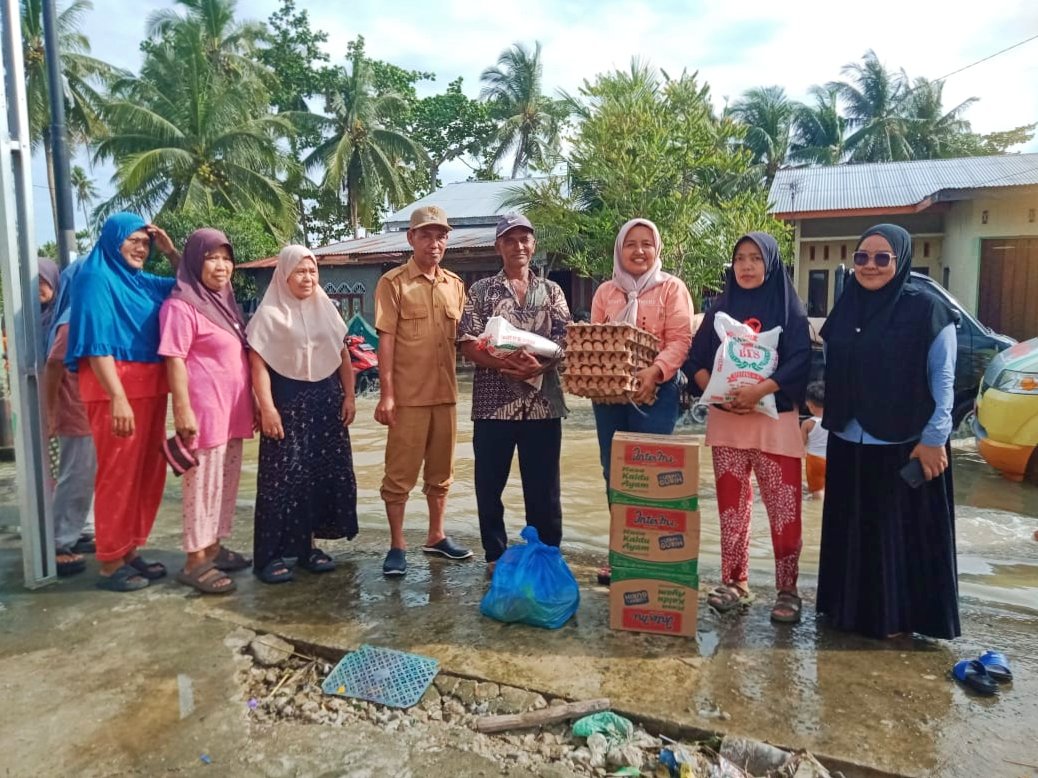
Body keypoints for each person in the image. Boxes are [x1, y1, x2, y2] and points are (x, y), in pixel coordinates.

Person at [817, 224, 959, 640]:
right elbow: (831, 367)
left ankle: (896, 622)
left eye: (883, 258)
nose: (871, 266)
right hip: (849, 440)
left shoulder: (928, 310)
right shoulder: (847, 306)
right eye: (862, 257)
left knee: (894, 537)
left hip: (903, 443)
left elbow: (944, 382)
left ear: (901, 260)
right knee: (854, 532)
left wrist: (934, 438)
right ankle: (848, 613)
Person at [686, 232, 811, 623]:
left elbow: (801, 360)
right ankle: (734, 582)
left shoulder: (790, 311)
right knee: (732, 510)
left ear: (771, 264)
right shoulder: (720, 310)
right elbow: (694, 361)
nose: (746, 266)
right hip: (727, 424)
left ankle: (787, 589)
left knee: (784, 511)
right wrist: (717, 392)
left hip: (776, 423)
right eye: (740, 258)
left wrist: (759, 390)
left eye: (755, 258)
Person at [65, 212, 182, 592]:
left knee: (147, 473)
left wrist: (169, 250)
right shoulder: (95, 278)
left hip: (149, 385)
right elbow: (95, 342)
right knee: (117, 473)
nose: (140, 248)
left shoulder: (142, 282)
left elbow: (189, 284)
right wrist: (117, 397)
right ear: (112, 239)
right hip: (114, 388)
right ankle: (110, 560)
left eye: (145, 243)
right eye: (133, 240)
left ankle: (130, 549)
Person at [458, 214, 572, 573]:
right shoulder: (480, 291)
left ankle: (547, 554)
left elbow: (566, 339)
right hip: (494, 405)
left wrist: (541, 366)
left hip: (543, 404)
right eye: (510, 240)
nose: (518, 246)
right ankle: (495, 555)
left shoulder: (552, 291)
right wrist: (504, 365)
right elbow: (466, 343)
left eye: (525, 239)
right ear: (498, 247)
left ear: (534, 245)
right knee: (489, 485)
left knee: (544, 489)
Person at [590, 218, 694, 585]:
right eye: (630, 243)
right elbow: (597, 341)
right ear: (619, 250)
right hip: (609, 396)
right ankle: (621, 552)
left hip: (658, 391)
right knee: (614, 471)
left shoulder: (671, 289)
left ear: (657, 249)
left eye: (646, 243)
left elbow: (680, 340)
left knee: (650, 473)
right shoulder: (606, 291)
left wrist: (654, 373)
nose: (638, 250)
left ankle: (651, 554)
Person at [247, 245, 358, 584]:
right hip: (288, 403)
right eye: (300, 271)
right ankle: (268, 556)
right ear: (284, 274)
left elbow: (343, 355)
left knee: (317, 476)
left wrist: (350, 396)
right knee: (280, 480)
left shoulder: (327, 308)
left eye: (312, 271)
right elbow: (258, 365)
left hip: (326, 403)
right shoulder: (268, 314)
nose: (308, 278)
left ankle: (308, 548)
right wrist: (266, 407)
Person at [374, 205, 471, 576]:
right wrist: (387, 395)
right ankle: (397, 544)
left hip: (445, 395)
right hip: (408, 397)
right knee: (398, 475)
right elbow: (386, 340)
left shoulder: (454, 285)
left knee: (442, 474)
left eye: (441, 235)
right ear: (411, 237)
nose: (434, 243)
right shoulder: (394, 284)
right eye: (426, 235)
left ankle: (436, 536)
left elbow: (465, 340)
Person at [159, 229, 253, 594]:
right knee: (202, 486)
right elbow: (174, 359)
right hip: (204, 411)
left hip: (232, 411)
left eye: (226, 257)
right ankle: (194, 559)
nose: (221, 266)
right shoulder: (180, 306)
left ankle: (213, 545)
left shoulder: (222, 303)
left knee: (225, 482)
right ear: (196, 262)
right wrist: (181, 411)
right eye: (211, 257)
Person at [42, 260, 97, 577]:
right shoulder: (72, 320)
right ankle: (59, 543)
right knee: (74, 476)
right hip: (75, 411)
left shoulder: (81, 314)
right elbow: (53, 366)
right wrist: (50, 413)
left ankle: (77, 532)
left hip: (86, 410)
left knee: (85, 475)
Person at [801, 381, 828, 500]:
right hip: (833, 457)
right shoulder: (834, 422)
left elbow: (801, 444)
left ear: (809, 404)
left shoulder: (808, 423)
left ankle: (817, 511)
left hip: (815, 459)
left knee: (817, 489)